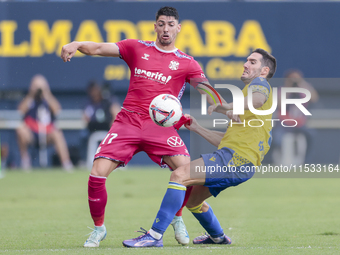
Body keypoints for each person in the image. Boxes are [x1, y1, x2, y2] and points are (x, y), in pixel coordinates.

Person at [61, 6, 222, 247]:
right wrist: (76, 43)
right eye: (161, 24)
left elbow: (207, 89)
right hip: (128, 122)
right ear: (154, 26)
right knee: (97, 173)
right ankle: (98, 229)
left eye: (170, 24)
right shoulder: (136, 48)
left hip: (161, 127)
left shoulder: (187, 62)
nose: (165, 29)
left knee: (188, 172)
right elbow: (96, 48)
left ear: (178, 28)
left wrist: (224, 107)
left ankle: (177, 218)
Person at [122, 48, 277, 247]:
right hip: (238, 160)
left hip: (235, 159)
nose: (246, 64)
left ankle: (154, 236)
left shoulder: (260, 84)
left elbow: (258, 99)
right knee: (193, 201)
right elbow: (227, 140)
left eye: (252, 62)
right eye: (246, 60)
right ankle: (218, 237)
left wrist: (230, 106)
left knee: (179, 176)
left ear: (264, 71)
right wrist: (197, 127)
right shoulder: (248, 101)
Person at [16, 74, 73, 171]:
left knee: (57, 133)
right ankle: (25, 161)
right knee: (20, 129)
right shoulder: (30, 99)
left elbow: (57, 110)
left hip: (47, 134)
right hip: (32, 134)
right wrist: (31, 94)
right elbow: (20, 111)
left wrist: (46, 93)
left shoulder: (47, 99)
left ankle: (66, 163)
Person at [272, 69, 319, 165]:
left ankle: (306, 163)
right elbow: (279, 104)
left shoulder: (304, 91)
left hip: (299, 123)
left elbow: (314, 98)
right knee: (276, 139)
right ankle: (275, 162)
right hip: (284, 123)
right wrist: (288, 87)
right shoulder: (282, 90)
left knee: (311, 135)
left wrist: (303, 84)